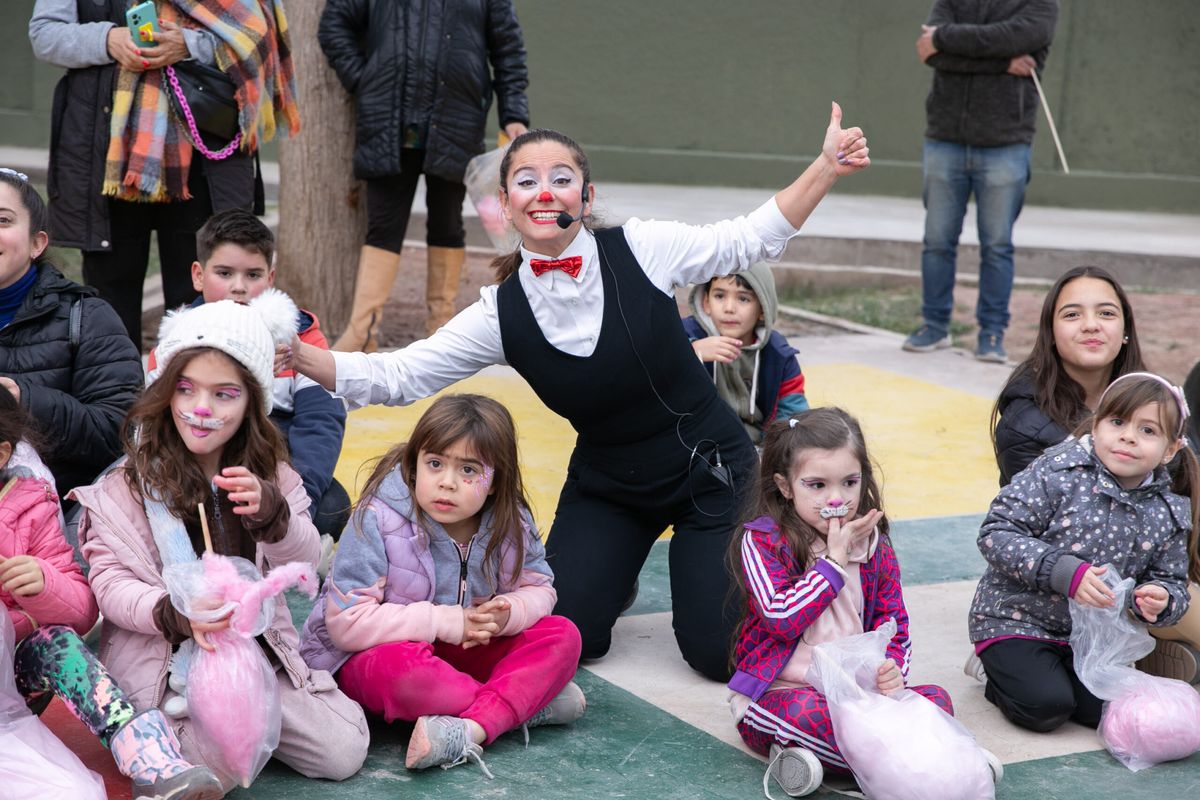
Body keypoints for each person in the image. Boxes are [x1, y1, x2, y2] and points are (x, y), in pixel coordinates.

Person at [288, 110, 871, 682]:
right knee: (573, 635)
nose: (545, 192)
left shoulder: (641, 247)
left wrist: (824, 166)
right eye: (527, 181)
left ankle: (760, 565)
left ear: (585, 198)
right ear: (506, 202)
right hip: (611, 484)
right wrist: (302, 356)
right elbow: (400, 374)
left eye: (561, 178)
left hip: (710, 475)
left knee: (716, 655)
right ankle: (617, 572)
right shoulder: (500, 312)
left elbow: (749, 238)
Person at [70, 292, 369, 793]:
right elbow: (110, 585)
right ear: (165, 392)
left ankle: (219, 741)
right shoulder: (126, 485)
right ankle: (178, 746)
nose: (201, 409)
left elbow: (299, 563)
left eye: (225, 395)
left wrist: (273, 517)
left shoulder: (271, 474)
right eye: (186, 390)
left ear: (253, 402)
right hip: (163, 667)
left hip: (253, 655)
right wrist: (175, 615)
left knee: (342, 750)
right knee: (213, 765)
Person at [300, 393, 584, 778]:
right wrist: (448, 621)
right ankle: (520, 703)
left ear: (496, 480)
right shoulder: (377, 518)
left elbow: (540, 588)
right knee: (400, 672)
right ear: (415, 466)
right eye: (435, 463)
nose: (447, 483)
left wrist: (508, 614)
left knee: (562, 634)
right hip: (374, 656)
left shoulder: (510, 521)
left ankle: (473, 726)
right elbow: (347, 624)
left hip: (464, 652)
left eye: (470, 470)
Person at [728, 408, 990, 796]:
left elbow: (893, 622)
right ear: (785, 487)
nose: (837, 499)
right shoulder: (763, 541)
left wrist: (893, 669)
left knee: (937, 699)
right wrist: (833, 562)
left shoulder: (875, 547)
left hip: (857, 693)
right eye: (816, 485)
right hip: (781, 692)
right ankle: (941, 760)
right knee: (811, 716)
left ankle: (911, 764)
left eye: (849, 482)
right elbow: (781, 618)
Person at [29, 0, 300, 344]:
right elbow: (44, 33)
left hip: (206, 154)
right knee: (109, 298)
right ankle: (116, 394)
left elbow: (256, 38)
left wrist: (189, 44)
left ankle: (195, 392)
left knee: (200, 297)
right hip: (109, 153)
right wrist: (109, 39)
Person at [0, 390, 224, 800]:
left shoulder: (30, 506)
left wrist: (43, 585)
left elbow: (84, 612)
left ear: (1, 455)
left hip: (9, 679)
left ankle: (153, 762)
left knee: (59, 645)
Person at [967, 372, 1199, 733]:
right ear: (1096, 426)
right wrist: (1064, 572)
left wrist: (1159, 600)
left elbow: (1169, 579)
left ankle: (1050, 674)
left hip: (1090, 638)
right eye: (1118, 421)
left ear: (1170, 450)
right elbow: (997, 533)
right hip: (1016, 618)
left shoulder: (1166, 511)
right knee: (1045, 708)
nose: (1128, 437)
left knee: (1101, 714)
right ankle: (993, 668)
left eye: (1148, 431)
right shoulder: (1058, 471)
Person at [318, 0, 531, 347]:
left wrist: (514, 113)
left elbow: (508, 50)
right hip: (390, 123)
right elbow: (334, 24)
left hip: (456, 120)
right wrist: (364, 78)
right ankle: (362, 335)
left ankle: (441, 332)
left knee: (447, 224)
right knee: (383, 227)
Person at [146, 209, 351, 562]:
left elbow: (321, 424)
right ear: (198, 275)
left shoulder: (301, 339)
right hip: (196, 475)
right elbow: (154, 428)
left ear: (270, 277)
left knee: (333, 504)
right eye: (224, 273)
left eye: (253, 275)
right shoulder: (173, 344)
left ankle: (295, 553)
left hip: (279, 474)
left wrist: (294, 502)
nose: (238, 287)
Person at [903, 0, 1059, 362]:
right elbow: (930, 52)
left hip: (1006, 143)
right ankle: (934, 325)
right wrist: (1004, 62)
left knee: (997, 244)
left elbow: (1016, 36)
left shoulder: (1040, 4)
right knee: (937, 240)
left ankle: (992, 334)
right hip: (944, 138)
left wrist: (948, 40)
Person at [0, 169, 142, 502]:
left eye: (3, 221)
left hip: (57, 524)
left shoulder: (89, 318)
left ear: (38, 243)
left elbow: (122, 433)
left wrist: (23, 401)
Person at [992, 265, 1145, 487]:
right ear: (1050, 333)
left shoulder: (1157, 403)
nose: (1091, 325)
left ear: (1125, 330)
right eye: (1072, 315)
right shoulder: (1025, 426)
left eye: (1106, 313)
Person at [682, 263, 809, 444]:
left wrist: (771, 451)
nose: (729, 308)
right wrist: (690, 353)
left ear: (763, 310)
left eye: (743, 299)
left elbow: (793, 414)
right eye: (719, 296)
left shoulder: (779, 356)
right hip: (697, 445)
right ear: (706, 302)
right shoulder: (684, 336)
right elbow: (652, 370)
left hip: (756, 447)